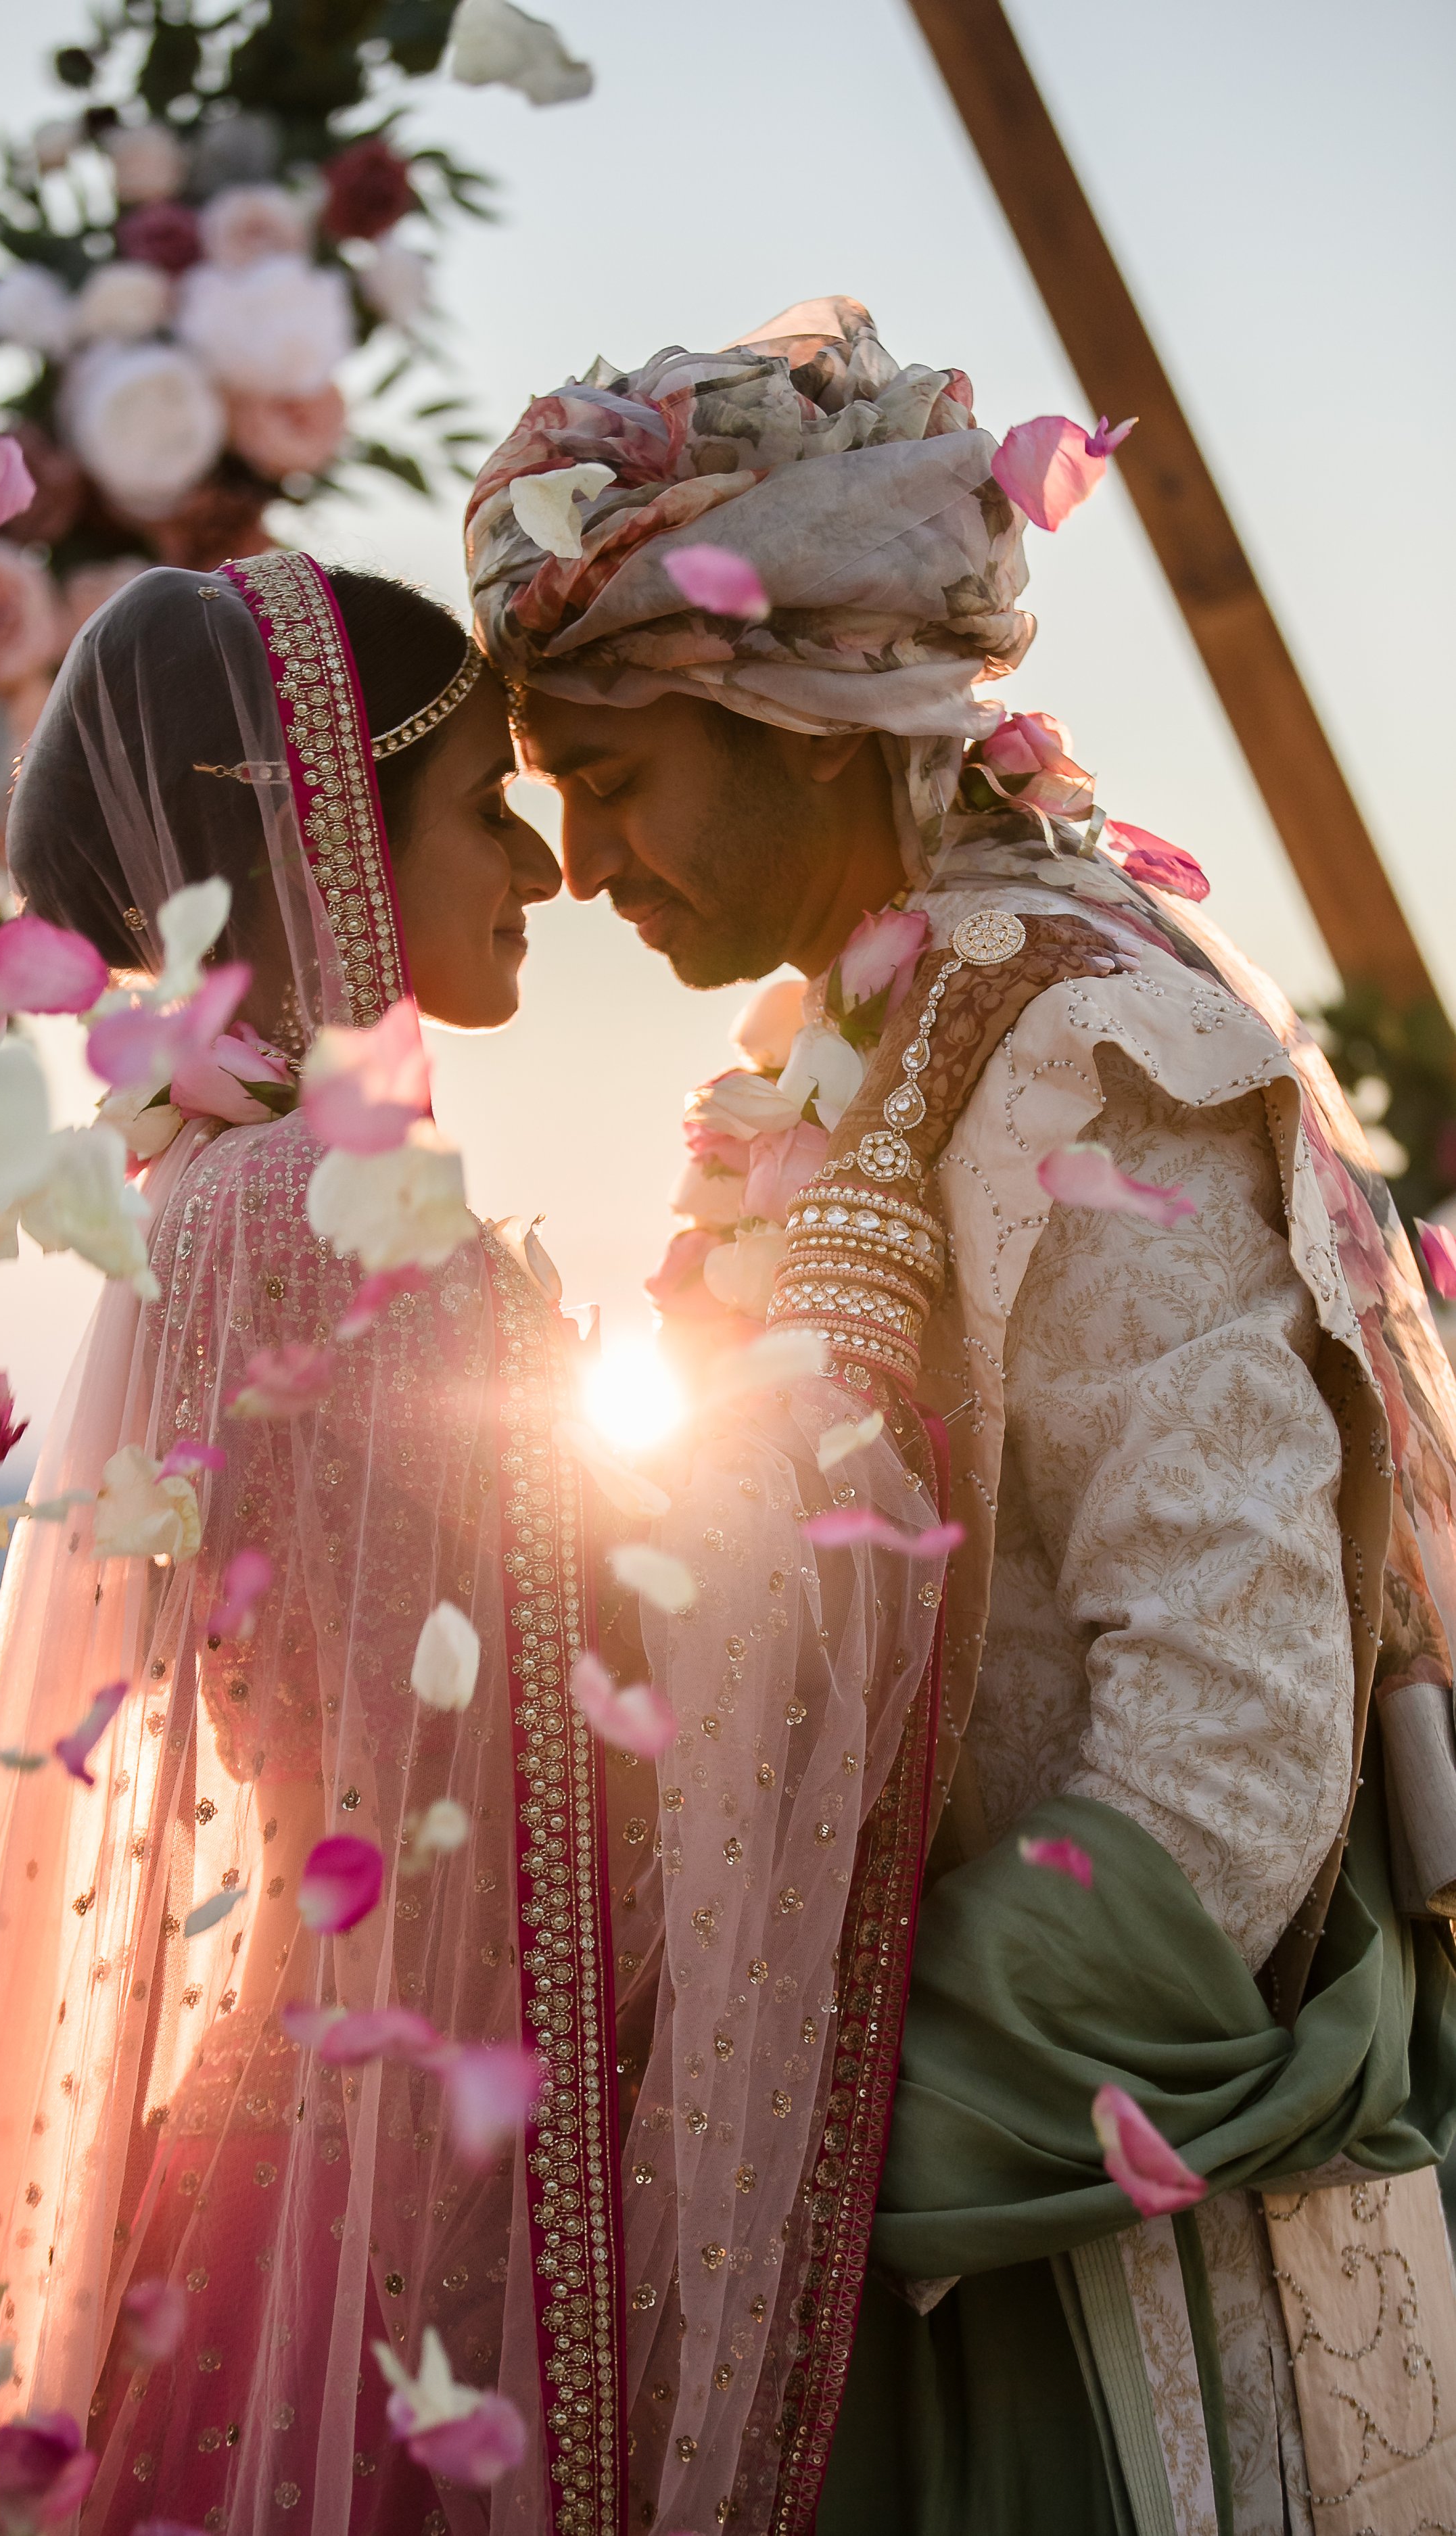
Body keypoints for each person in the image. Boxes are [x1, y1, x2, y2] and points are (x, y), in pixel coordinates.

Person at [0, 550, 943, 2536]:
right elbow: (634, 1692)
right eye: (490, 801)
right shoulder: (326, 1213)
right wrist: (846, 1301)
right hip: (417, 2209)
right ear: (332, 835)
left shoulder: (229, 1197)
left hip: (320, 2149)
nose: (550, 868)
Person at [468, 299, 1456, 2533]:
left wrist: (805, 2155)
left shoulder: (1088, 1053)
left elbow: (1228, 1743)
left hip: (1073, 2285)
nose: (586, 868)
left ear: (804, 722)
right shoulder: (843, 1059)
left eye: (612, 781)